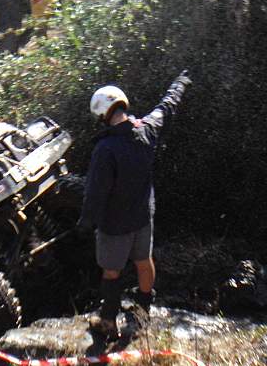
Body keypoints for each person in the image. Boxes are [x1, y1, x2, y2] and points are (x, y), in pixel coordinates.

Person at [77, 70, 191, 337]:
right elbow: (167, 106)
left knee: (112, 271)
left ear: (103, 115)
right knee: (143, 260)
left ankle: (107, 321)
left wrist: (85, 221)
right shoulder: (148, 129)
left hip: (115, 224)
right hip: (143, 215)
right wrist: (180, 83)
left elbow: (96, 192)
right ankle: (143, 312)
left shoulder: (104, 150)